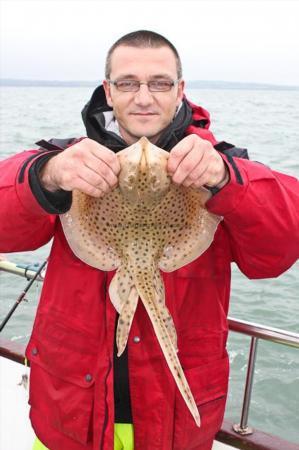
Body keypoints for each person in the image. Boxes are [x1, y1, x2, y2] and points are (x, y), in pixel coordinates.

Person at [0, 30, 298, 450]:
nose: (143, 97)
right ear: (108, 90)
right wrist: (45, 175)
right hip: (68, 419)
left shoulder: (223, 166)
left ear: (180, 90)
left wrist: (228, 179)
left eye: (159, 83)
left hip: (174, 427)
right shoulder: (71, 161)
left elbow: (278, 251)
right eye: (127, 83)